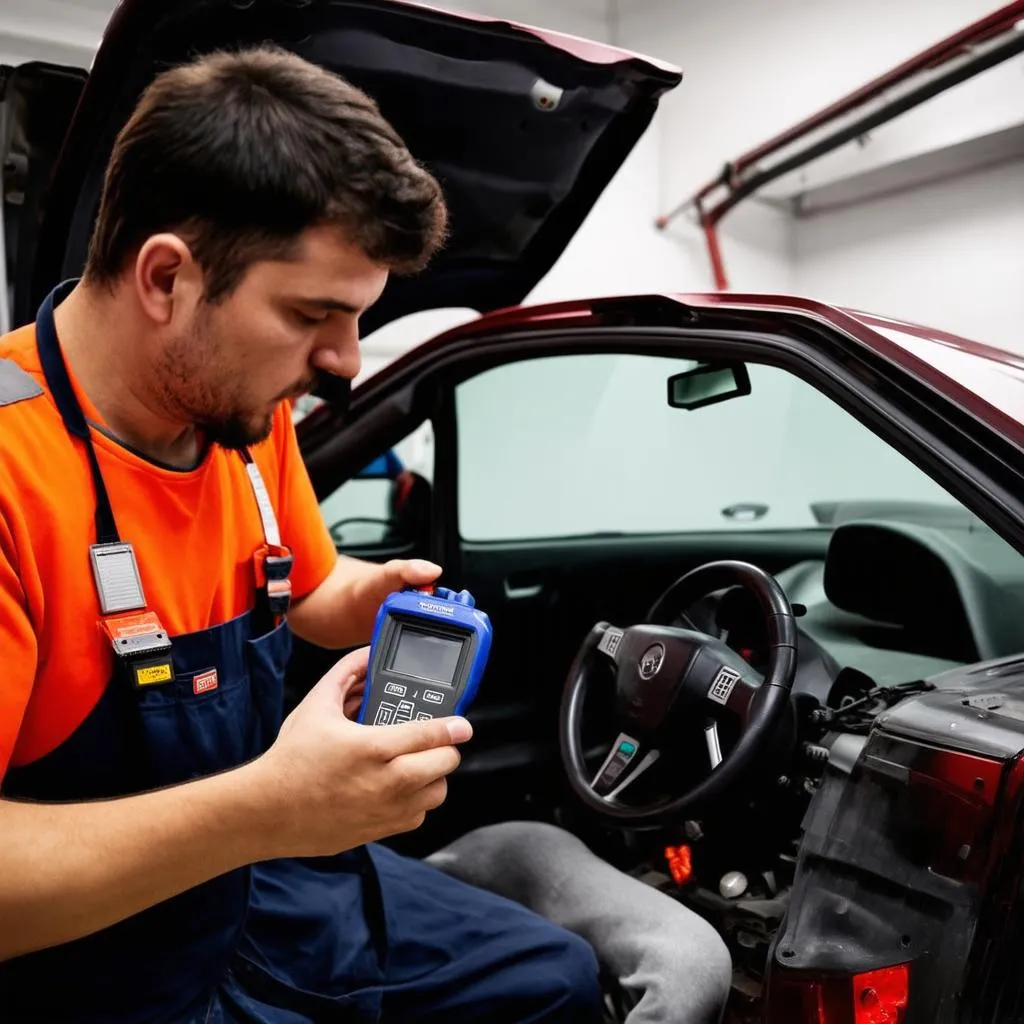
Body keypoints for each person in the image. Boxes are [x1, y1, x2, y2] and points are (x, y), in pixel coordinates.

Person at [0, 47, 603, 1022]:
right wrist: (268, 807)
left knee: (556, 982)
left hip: (252, 886)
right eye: (314, 314)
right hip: (86, 966)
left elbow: (304, 594)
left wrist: (365, 598)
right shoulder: (12, 475)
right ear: (166, 278)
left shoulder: (243, 410)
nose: (344, 363)